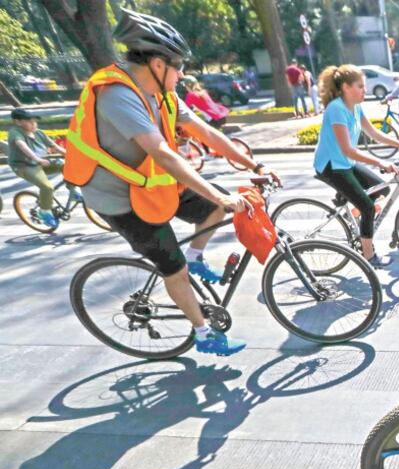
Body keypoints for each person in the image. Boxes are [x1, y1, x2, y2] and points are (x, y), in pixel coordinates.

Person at [64, 9, 281, 356]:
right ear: (157, 63)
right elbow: (163, 154)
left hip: (151, 184)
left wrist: (254, 163)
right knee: (174, 267)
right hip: (119, 198)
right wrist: (219, 196)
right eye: (178, 65)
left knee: (214, 208)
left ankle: (195, 257)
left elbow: (206, 133)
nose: (183, 73)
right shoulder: (117, 95)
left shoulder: (164, 94)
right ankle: (203, 334)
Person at [313, 65, 399, 267]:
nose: (365, 90)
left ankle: (352, 207)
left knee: (382, 188)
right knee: (368, 207)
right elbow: (348, 150)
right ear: (346, 88)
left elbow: (373, 133)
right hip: (331, 166)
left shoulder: (355, 107)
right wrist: (381, 162)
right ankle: (369, 256)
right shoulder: (336, 109)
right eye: (360, 86)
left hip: (345, 163)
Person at [7, 107, 76, 229]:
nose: (33, 123)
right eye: (29, 121)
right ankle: (44, 212)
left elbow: (56, 147)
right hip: (24, 166)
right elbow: (22, 146)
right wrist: (37, 159)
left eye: (34, 121)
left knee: (66, 165)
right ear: (17, 122)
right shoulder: (15, 132)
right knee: (47, 187)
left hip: (40, 163)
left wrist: (73, 156)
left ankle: (73, 190)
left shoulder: (39, 133)